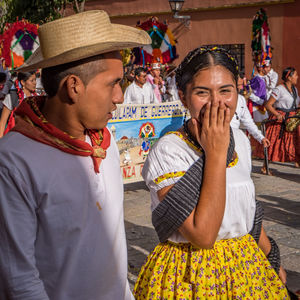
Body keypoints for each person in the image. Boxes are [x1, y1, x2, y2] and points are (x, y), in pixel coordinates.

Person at [0, 10, 150, 300]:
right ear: (74, 86)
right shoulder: (14, 162)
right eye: (113, 83)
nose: (120, 96)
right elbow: (18, 280)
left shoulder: (105, 144)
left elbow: (113, 249)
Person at [133, 46, 289, 299]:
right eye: (202, 93)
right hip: (190, 275)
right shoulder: (169, 151)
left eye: (226, 91)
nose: (217, 103)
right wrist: (215, 153)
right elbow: (202, 235)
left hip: (246, 267)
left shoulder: (239, 139)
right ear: (183, 98)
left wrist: (272, 258)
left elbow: (245, 208)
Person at [254, 67, 300, 170]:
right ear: (289, 77)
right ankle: (265, 166)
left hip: (292, 119)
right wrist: (277, 114)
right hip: (280, 119)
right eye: (295, 75)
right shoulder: (279, 89)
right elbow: (268, 105)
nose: (297, 77)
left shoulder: (294, 90)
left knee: (294, 141)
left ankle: (297, 161)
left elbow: (295, 104)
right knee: (275, 143)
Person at [231, 76, 270, 147]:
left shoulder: (241, 100)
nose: (241, 88)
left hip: (235, 138)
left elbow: (248, 122)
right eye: (239, 85)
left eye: (241, 85)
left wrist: (261, 137)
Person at [0, 71, 37, 137]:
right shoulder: (12, 97)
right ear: (23, 82)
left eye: (35, 80)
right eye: (32, 80)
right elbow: (2, 122)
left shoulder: (36, 97)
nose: (35, 83)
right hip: (15, 136)